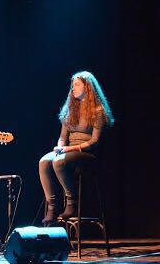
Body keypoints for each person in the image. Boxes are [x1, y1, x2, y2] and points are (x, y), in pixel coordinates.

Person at [39, 71, 114, 224]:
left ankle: (71, 202)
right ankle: (52, 207)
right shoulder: (70, 109)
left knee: (58, 162)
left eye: (77, 85)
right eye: (72, 85)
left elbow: (94, 142)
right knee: (44, 161)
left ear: (88, 87)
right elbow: (63, 137)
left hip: (87, 152)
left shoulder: (98, 111)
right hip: (69, 150)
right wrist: (60, 146)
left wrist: (69, 149)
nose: (73, 88)